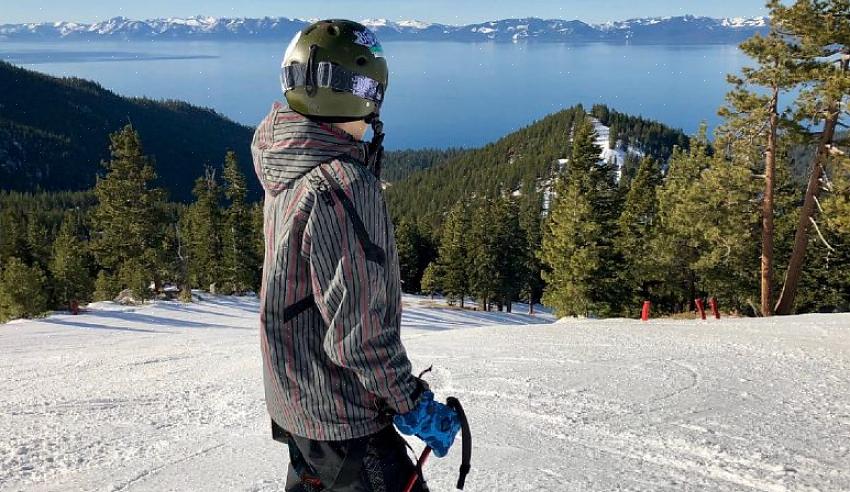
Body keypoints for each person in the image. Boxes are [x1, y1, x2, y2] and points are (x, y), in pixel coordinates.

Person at [251, 20, 460, 492]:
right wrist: (411, 404)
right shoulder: (341, 185)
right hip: (344, 420)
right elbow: (358, 332)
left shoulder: (286, 160)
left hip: (300, 408)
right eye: (371, 90)